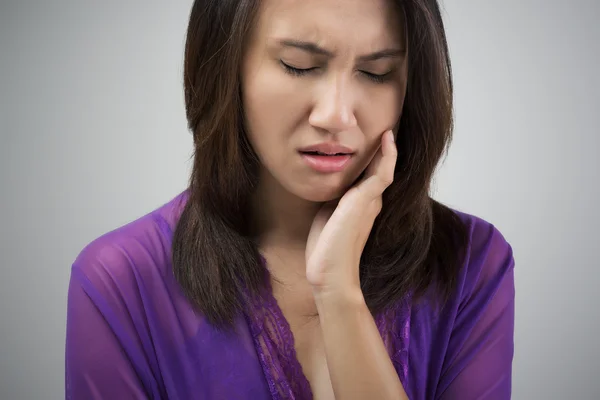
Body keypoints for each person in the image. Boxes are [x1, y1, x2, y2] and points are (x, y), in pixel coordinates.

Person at [65, 0, 515, 399]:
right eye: (299, 66)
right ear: (225, 68)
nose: (337, 115)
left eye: (377, 73)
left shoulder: (471, 262)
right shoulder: (120, 282)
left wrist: (339, 294)